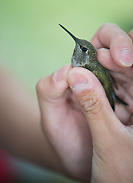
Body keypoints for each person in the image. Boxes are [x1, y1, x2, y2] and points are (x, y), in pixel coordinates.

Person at [1, 23, 133, 182]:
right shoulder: (81, 61)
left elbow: (106, 85)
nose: (78, 46)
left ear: (86, 55)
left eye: (82, 49)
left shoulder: (91, 67)